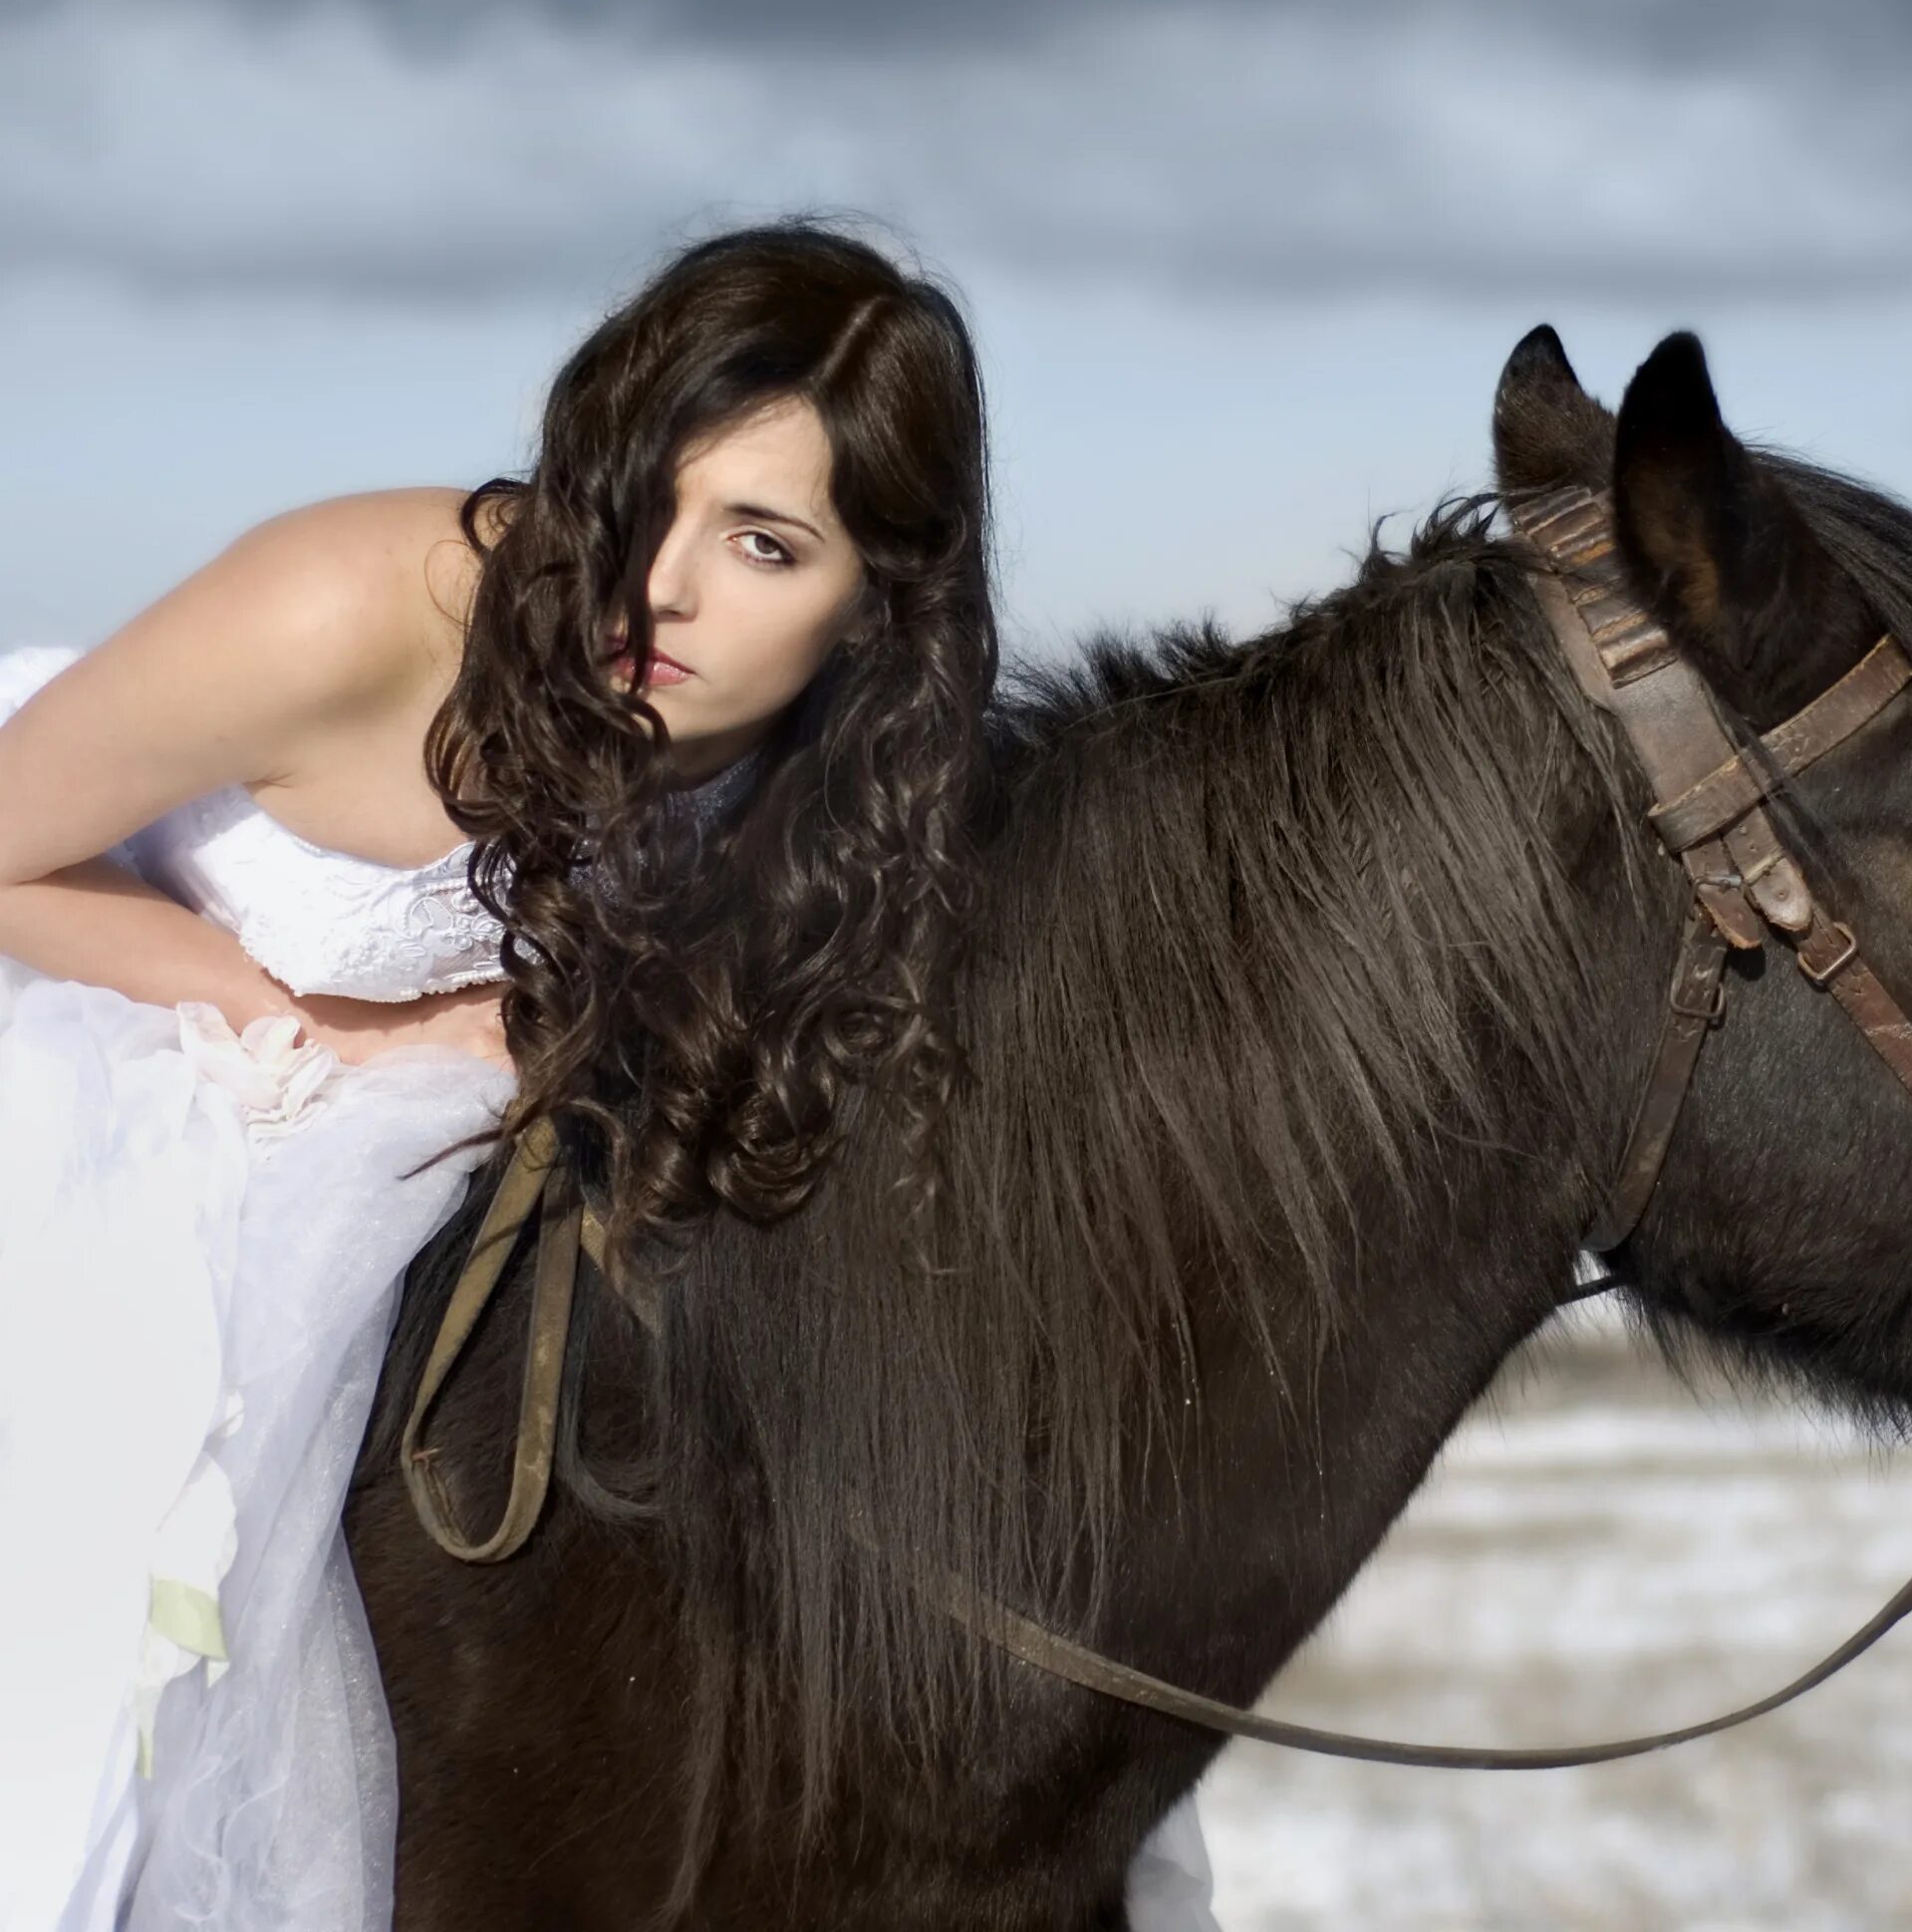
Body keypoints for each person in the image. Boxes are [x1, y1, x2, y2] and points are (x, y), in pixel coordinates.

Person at [0, 219, 1221, 1930]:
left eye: (768, 544)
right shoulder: (350, 611)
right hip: (129, 1017)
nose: (664, 584)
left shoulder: (837, 776)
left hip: (464, 1114)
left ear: (881, 601)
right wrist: (319, 1026)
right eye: (653, 494)